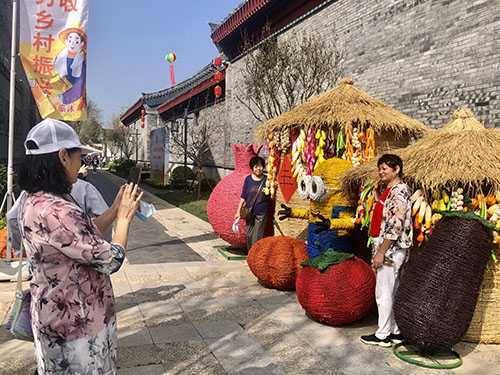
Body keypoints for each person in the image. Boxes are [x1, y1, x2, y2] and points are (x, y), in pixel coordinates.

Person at [17, 118, 142, 374]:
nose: (81, 163)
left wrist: (113, 209)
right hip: (77, 326)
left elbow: (79, 240)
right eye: (78, 157)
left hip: (52, 318)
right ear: (63, 156)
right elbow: (111, 259)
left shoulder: (34, 200)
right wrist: (124, 218)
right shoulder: (59, 210)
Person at [360, 154, 413, 347]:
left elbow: (395, 225)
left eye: (385, 168)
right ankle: (395, 332)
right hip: (388, 247)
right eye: (380, 168)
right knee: (392, 290)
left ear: (397, 169)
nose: (381, 171)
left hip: (390, 249)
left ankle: (382, 334)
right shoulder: (390, 191)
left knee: (383, 292)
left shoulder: (399, 191)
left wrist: (381, 251)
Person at [234, 156, 271, 250]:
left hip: (261, 213)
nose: (258, 168)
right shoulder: (248, 179)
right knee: (249, 235)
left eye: (260, 166)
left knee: (257, 236)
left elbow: (273, 195)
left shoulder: (267, 180)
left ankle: (255, 255)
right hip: (249, 212)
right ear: (252, 168)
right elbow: (243, 196)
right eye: (256, 166)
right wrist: (238, 212)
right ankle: (250, 254)